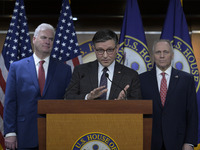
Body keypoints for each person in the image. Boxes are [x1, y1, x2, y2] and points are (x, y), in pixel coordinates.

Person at [3, 23, 72, 149]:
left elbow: (68, 103)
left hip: (55, 134)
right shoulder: (17, 68)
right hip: (23, 134)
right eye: (44, 37)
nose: (48, 42)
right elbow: (10, 102)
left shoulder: (64, 70)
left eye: (51, 39)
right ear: (34, 39)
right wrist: (10, 132)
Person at [139, 39, 198, 150]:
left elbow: (192, 113)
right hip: (149, 142)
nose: (162, 56)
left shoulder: (186, 79)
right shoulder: (141, 79)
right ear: (153, 55)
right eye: (158, 52)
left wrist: (189, 142)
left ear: (172, 55)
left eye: (165, 52)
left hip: (178, 142)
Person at [64, 29, 141, 100]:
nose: (105, 55)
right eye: (100, 50)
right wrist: (88, 97)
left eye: (110, 50)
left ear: (117, 48)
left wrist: (124, 102)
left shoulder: (130, 75)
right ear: (94, 49)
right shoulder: (81, 71)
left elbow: (138, 104)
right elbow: (68, 97)